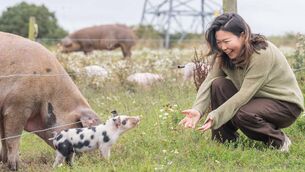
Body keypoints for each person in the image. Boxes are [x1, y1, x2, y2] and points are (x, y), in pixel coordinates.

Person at [178, 13, 304, 152]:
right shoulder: (224, 55)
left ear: (243, 35)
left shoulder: (261, 53)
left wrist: (215, 115)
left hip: (284, 104)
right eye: (219, 43)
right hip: (256, 99)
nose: (223, 47)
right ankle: (224, 141)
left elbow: (244, 94)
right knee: (218, 84)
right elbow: (209, 81)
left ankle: (279, 141)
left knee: (243, 114)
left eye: (226, 41)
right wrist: (197, 109)